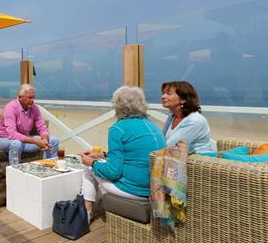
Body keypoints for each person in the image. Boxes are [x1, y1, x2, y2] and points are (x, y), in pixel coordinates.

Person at [80, 86, 166, 223]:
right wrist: (103, 156)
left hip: (135, 191)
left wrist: (91, 162)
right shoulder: (152, 125)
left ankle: (86, 214)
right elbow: (134, 155)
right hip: (157, 188)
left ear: (117, 106)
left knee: (88, 169)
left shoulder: (118, 128)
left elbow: (113, 172)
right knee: (97, 165)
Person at [0, 84, 58, 163]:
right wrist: (37, 142)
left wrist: (45, 138)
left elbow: (42, 126)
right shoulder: (10, 108)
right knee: (16, 144)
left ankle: (49, 166)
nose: (32, 100)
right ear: (20, 97)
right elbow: (12, 134)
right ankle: (15, 172)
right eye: (29, 97)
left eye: (33, 97)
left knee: (53, 140)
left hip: (24, 139)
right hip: (5, 139)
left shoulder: (34, 108)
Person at [161, 81, 215, 154]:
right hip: (178, 158)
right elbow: (162, 139)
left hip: (198, 161)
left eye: (168, 93)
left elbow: (172, 145)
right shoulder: (172, 116)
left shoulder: (194, 120)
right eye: (163, 93)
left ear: (183, 99)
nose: (163, 96)